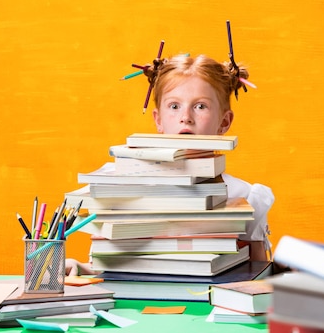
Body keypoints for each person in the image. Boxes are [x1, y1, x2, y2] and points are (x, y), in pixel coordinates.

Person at [65, 53, 274, 275]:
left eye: (201, 106)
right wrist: (81, 269)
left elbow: (258, 279)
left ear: (224, 122)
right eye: (174, 106)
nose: (186, 117)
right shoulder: (121, 187)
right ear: (158, 120)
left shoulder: (245, 197)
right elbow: (106, 268)